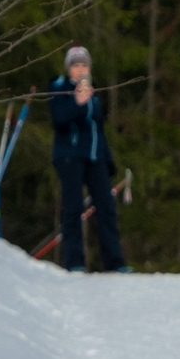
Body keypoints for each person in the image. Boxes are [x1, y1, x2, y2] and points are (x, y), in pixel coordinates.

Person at [47, 46, 126, 273]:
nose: (80, 69)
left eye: (84, 65)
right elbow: (59, 119)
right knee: (73, 208)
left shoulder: (93, 92)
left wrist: (107, 160)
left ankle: (115, 262)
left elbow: (98, 129)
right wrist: (77, 102)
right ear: (68, 68)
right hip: (70, 155)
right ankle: (75, 263)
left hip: (95, 155)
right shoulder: (59, 87)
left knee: (106, 207)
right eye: (76, 65)